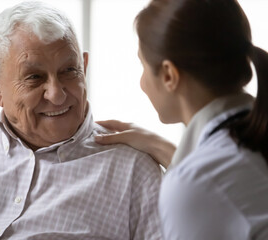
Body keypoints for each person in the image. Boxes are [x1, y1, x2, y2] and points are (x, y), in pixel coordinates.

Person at [0, 1, 163, 239]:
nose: (57, 94)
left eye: (69, 71)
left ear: (84, 67)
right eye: (34, 77)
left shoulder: (133, 170)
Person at [95, 0, 268, 239]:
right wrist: (160, 147)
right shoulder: (246, 144)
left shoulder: (194, 184)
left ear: (168, 75)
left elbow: (205, 185)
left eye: (143, 65)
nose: (141, 82)